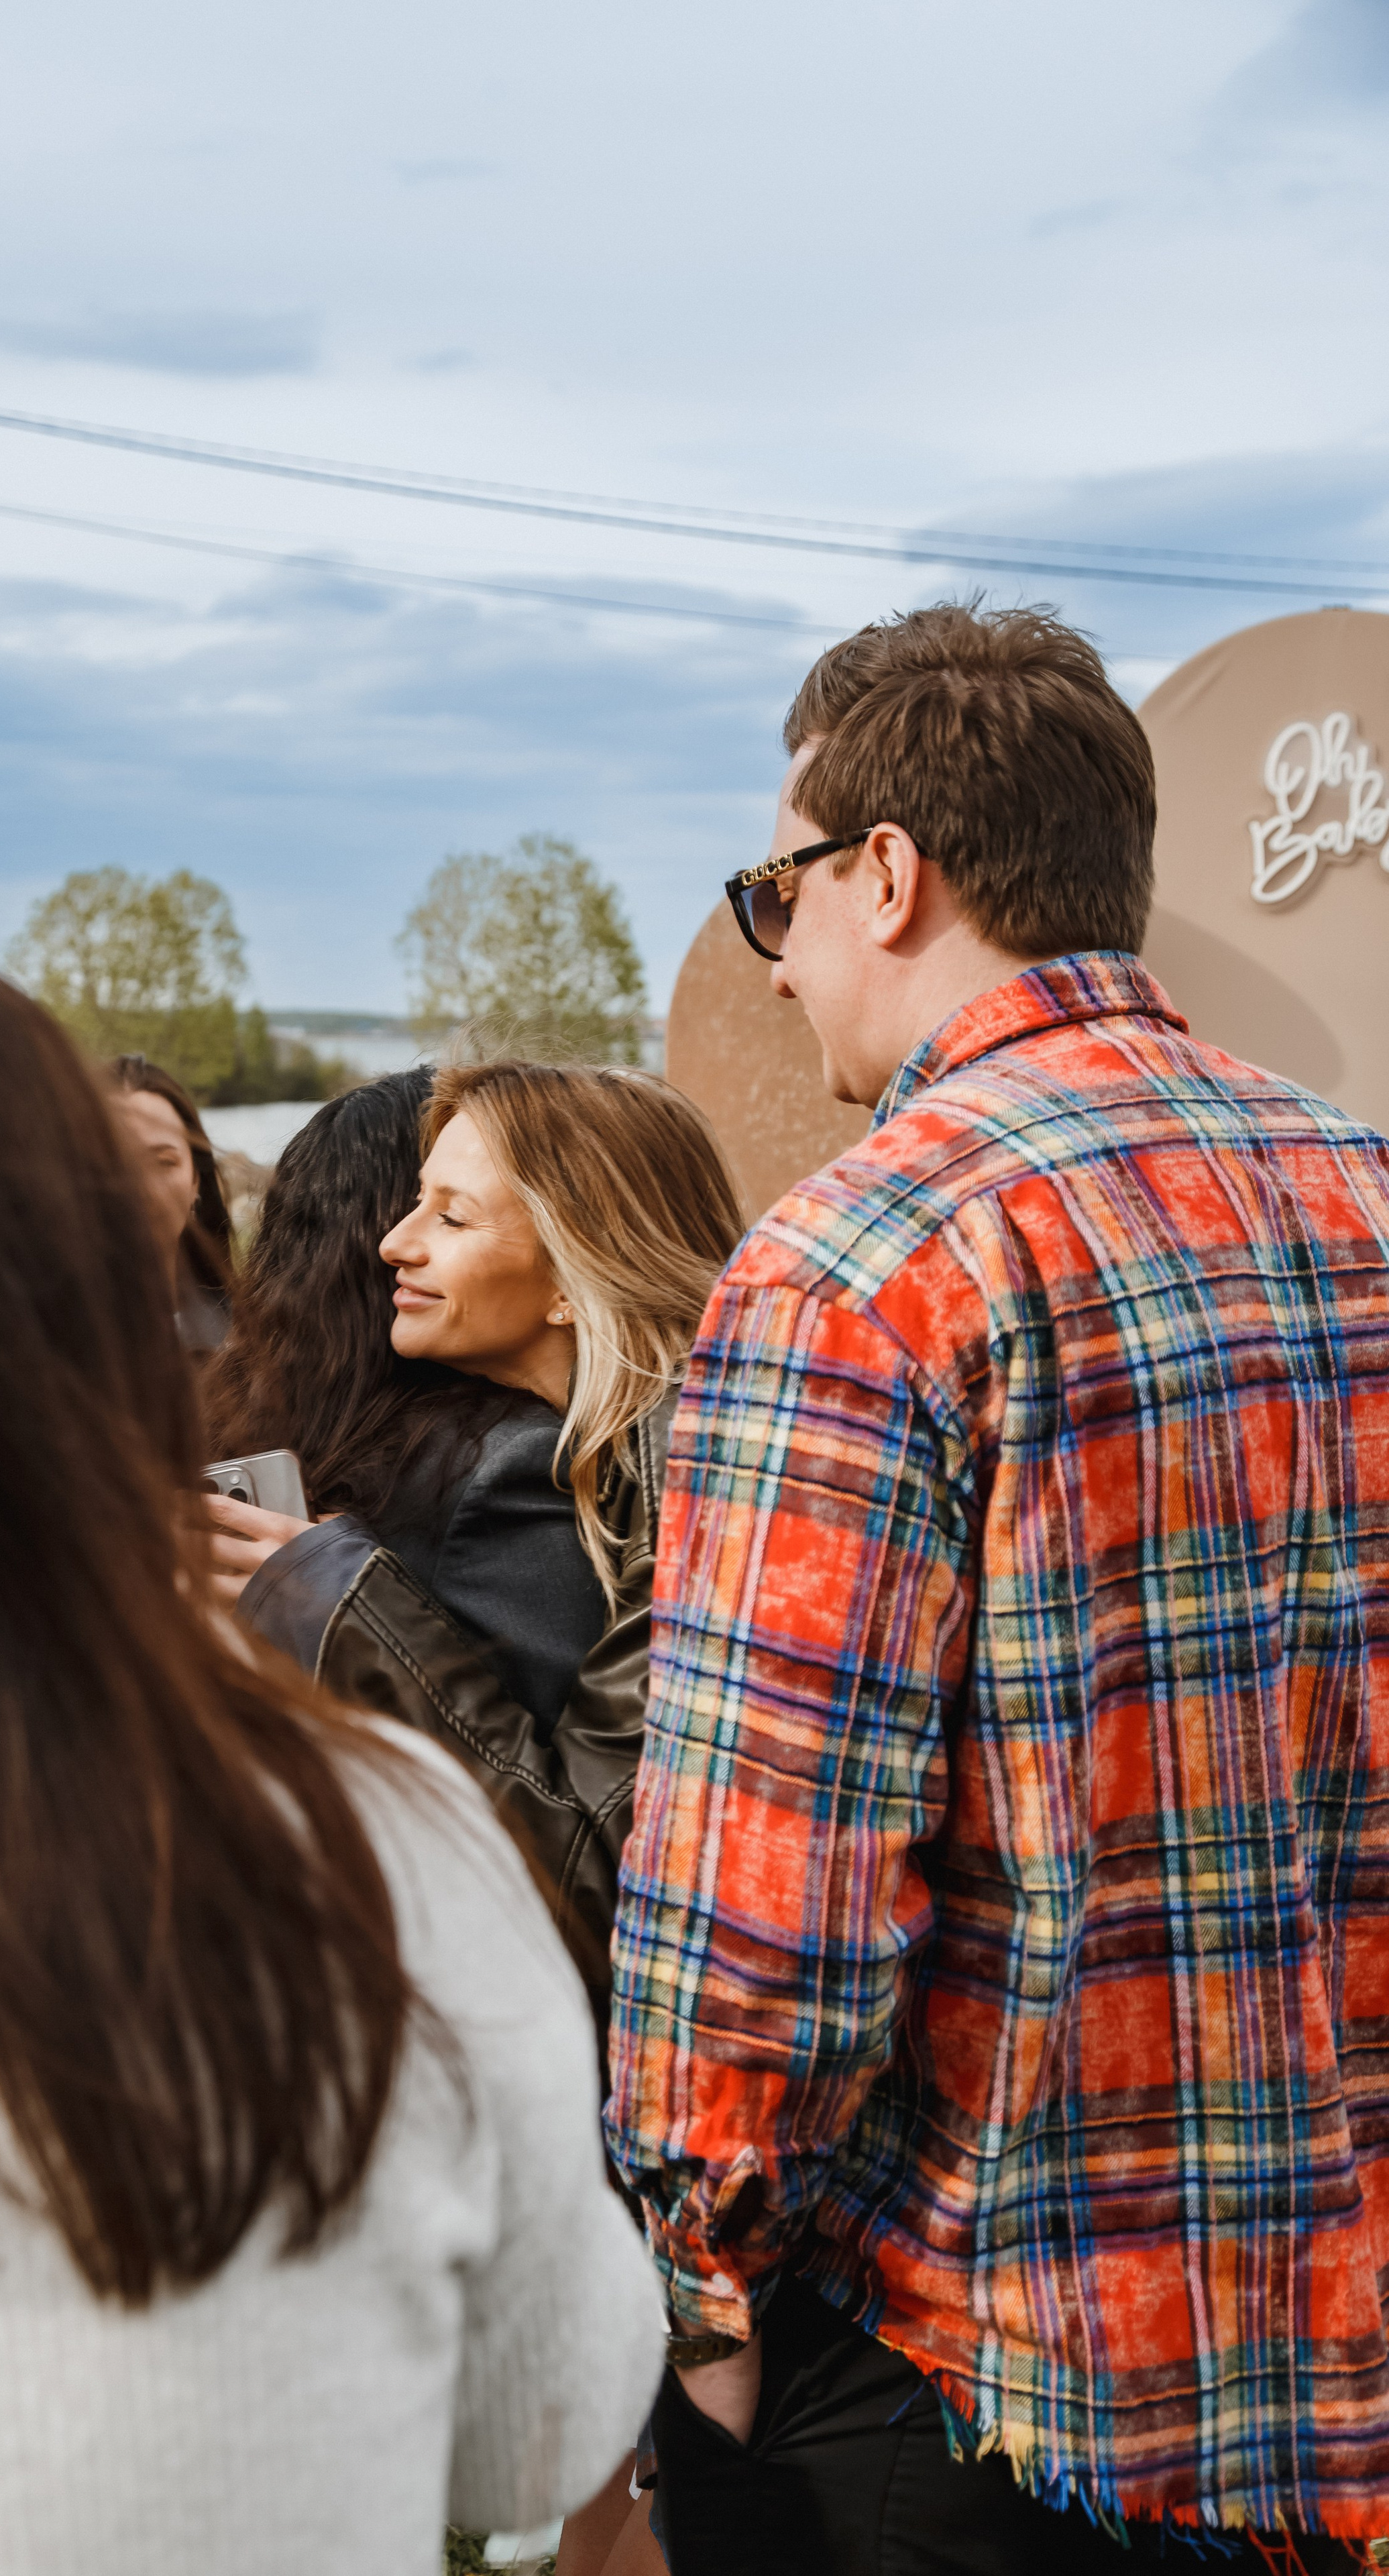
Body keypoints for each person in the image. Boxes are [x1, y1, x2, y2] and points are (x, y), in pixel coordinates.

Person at [0, 905, 664, 2576]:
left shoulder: (539, 1536)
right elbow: (539, 2432)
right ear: (73, 1307)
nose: (392, 1251)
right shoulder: (368, 1836)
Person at [606, 601, 1389, 2571]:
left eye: (772, 893)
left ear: (888, 872)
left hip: (976, 2375)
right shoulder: (1369, 1198)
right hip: (1336, 2371)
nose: (771, 964)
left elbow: (757, 1912)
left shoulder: (854, 1264)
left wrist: (701, 2310)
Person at [230, 1061, 744, 2017]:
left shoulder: (694, 1481)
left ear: (570, 1272)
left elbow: (596, 1881)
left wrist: (340, 1594)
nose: (392, 1243)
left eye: (450, 1219)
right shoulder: (627, 1455)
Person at [204, 1069, 606, 1733]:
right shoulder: (510, 1464)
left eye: (450, 1211)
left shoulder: (231, 1419)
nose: (404, 1243)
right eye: (422, 1204)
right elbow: (560, 1792)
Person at [105, 1052, 233, 1353]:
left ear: (195, 1182)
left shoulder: (243, 1341)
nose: (141, 1188)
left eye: (163, 1163)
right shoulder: (35, 1342)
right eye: (113, 1163)